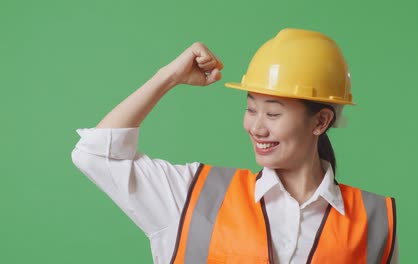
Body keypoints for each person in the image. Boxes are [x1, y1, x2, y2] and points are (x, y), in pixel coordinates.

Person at [72, 28, 399, 263]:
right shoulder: (193, 195)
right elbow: (96, 154)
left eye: (273, 112)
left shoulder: (374, 220)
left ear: (320, 122)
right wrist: (167, 76)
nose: (256, 127)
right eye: (251, 108)